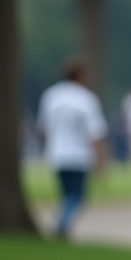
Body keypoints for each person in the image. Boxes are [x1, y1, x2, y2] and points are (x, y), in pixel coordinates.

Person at [37, 57, 108, 240]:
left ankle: (63, 225)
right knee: (76, 196)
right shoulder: (86, 99)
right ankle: (61, 225)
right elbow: (96, 133)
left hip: (57, 153)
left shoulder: (51, 96)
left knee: (66, 194)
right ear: (81, 76)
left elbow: (44, 127)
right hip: (78, 155)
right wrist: (102, 159)